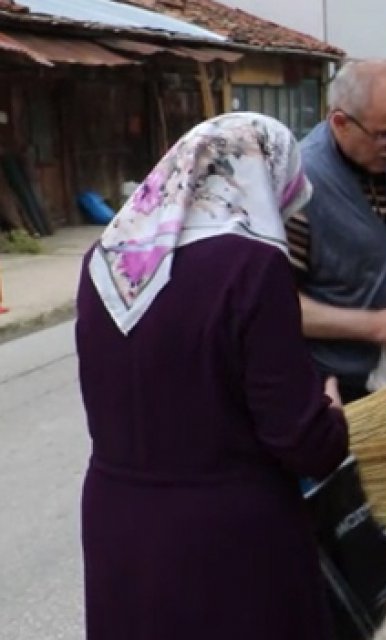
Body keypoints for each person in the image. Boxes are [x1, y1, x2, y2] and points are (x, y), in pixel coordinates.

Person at [76, 112, 350, 639]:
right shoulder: (250, 265)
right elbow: (301, 440)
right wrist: (330, 413)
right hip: (228, 541)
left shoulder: (104, 261)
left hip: (118, 526)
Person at [286, 59, 386, 404]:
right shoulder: (299, 189)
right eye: (385, 134)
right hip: (329, 400)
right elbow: (277, 306)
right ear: (340, 122)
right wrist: (375, 326)